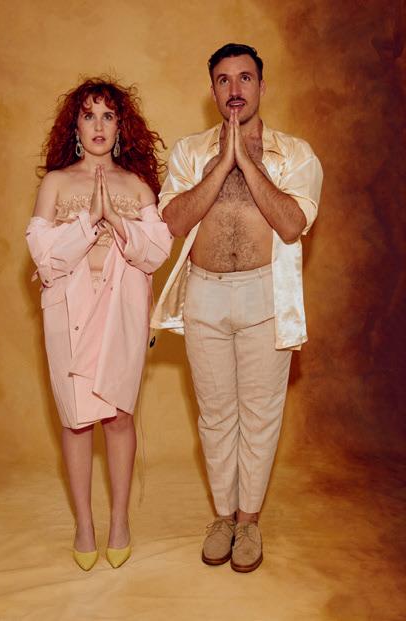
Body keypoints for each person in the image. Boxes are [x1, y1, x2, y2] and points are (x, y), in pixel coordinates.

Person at [151, 43, 323, 572]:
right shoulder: (189, 153)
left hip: (264, 294)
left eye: (245, 78)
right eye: (223, 79)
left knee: (261, 415)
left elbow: (292, 225)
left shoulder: (294, 154)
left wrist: (247, 162)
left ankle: (249, 522)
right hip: (204, 293)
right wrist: (221, 162)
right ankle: (222, 517)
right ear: (212, 90)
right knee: (216, 416)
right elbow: (173, 222)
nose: (234, 89)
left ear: (261, 87)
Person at [26, 78, 172, 571]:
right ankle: (84, 524)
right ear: (75, 126)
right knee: (75, 419)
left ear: (121, 126)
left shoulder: (137, 186)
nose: (99, 126)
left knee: (119, 416)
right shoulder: (56, 183)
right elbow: (45, 257)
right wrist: (90, 220)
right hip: (67, 311)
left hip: (122, 312)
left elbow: (155, 252)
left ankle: (119, 521)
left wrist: (116, 217)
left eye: (108, 116)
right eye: (89, 115)